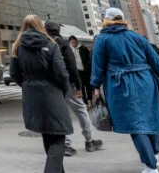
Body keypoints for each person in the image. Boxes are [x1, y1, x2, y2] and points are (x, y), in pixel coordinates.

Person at [91, 8, 159, 173]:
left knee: (135, 124)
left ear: (106, 20)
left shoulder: (102, 39)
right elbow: (156, 61)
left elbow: (98, 65)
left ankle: (150, 166)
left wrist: (95, 86)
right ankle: (155, 155)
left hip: (120, 84)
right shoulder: (137, 37)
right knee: (150, 118)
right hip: (146, 81)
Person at [10, 15, 72, 173]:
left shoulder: (17, 46)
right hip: (52, 91)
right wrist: (64, 89)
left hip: (31, 94)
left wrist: (27, 84)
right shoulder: (51, 44)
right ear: (40, 25)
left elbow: (14, 73)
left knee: (47, 133)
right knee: (58, 136)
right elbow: (61, 73)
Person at [46, 22, 103, 155]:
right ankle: (89, 141)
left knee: (60, 113)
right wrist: (78, 85)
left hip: (52, 86)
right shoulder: (63, 44)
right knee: (81, 110)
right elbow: (72, 65)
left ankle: (65, 144)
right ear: (58, 30)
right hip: (68, 83)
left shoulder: (44, 44)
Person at [69, 35, 93, 104]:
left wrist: (87, 67)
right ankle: (85, 102)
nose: (73, 41)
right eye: (71, 40)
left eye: (74, 40)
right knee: (80, 87)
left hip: (85, 70)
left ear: (76, 41)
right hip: (77, 72)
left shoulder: (83, 48)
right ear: (69, 42)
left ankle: (90, 100)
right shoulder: (69, 50)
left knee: (88, 86)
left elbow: (89, 58)